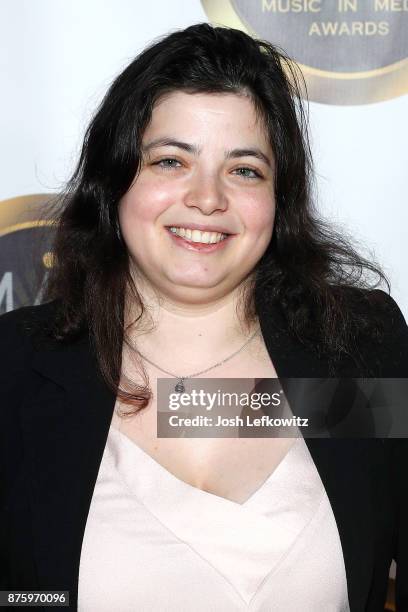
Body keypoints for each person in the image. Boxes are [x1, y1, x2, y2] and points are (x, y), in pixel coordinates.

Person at [1, 22, 407, 612]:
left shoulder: (357, 351)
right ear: (114, 181)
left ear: (279, 200)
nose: (208, 198)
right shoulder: (15, 368)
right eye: (170, 161)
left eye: (244, 169)